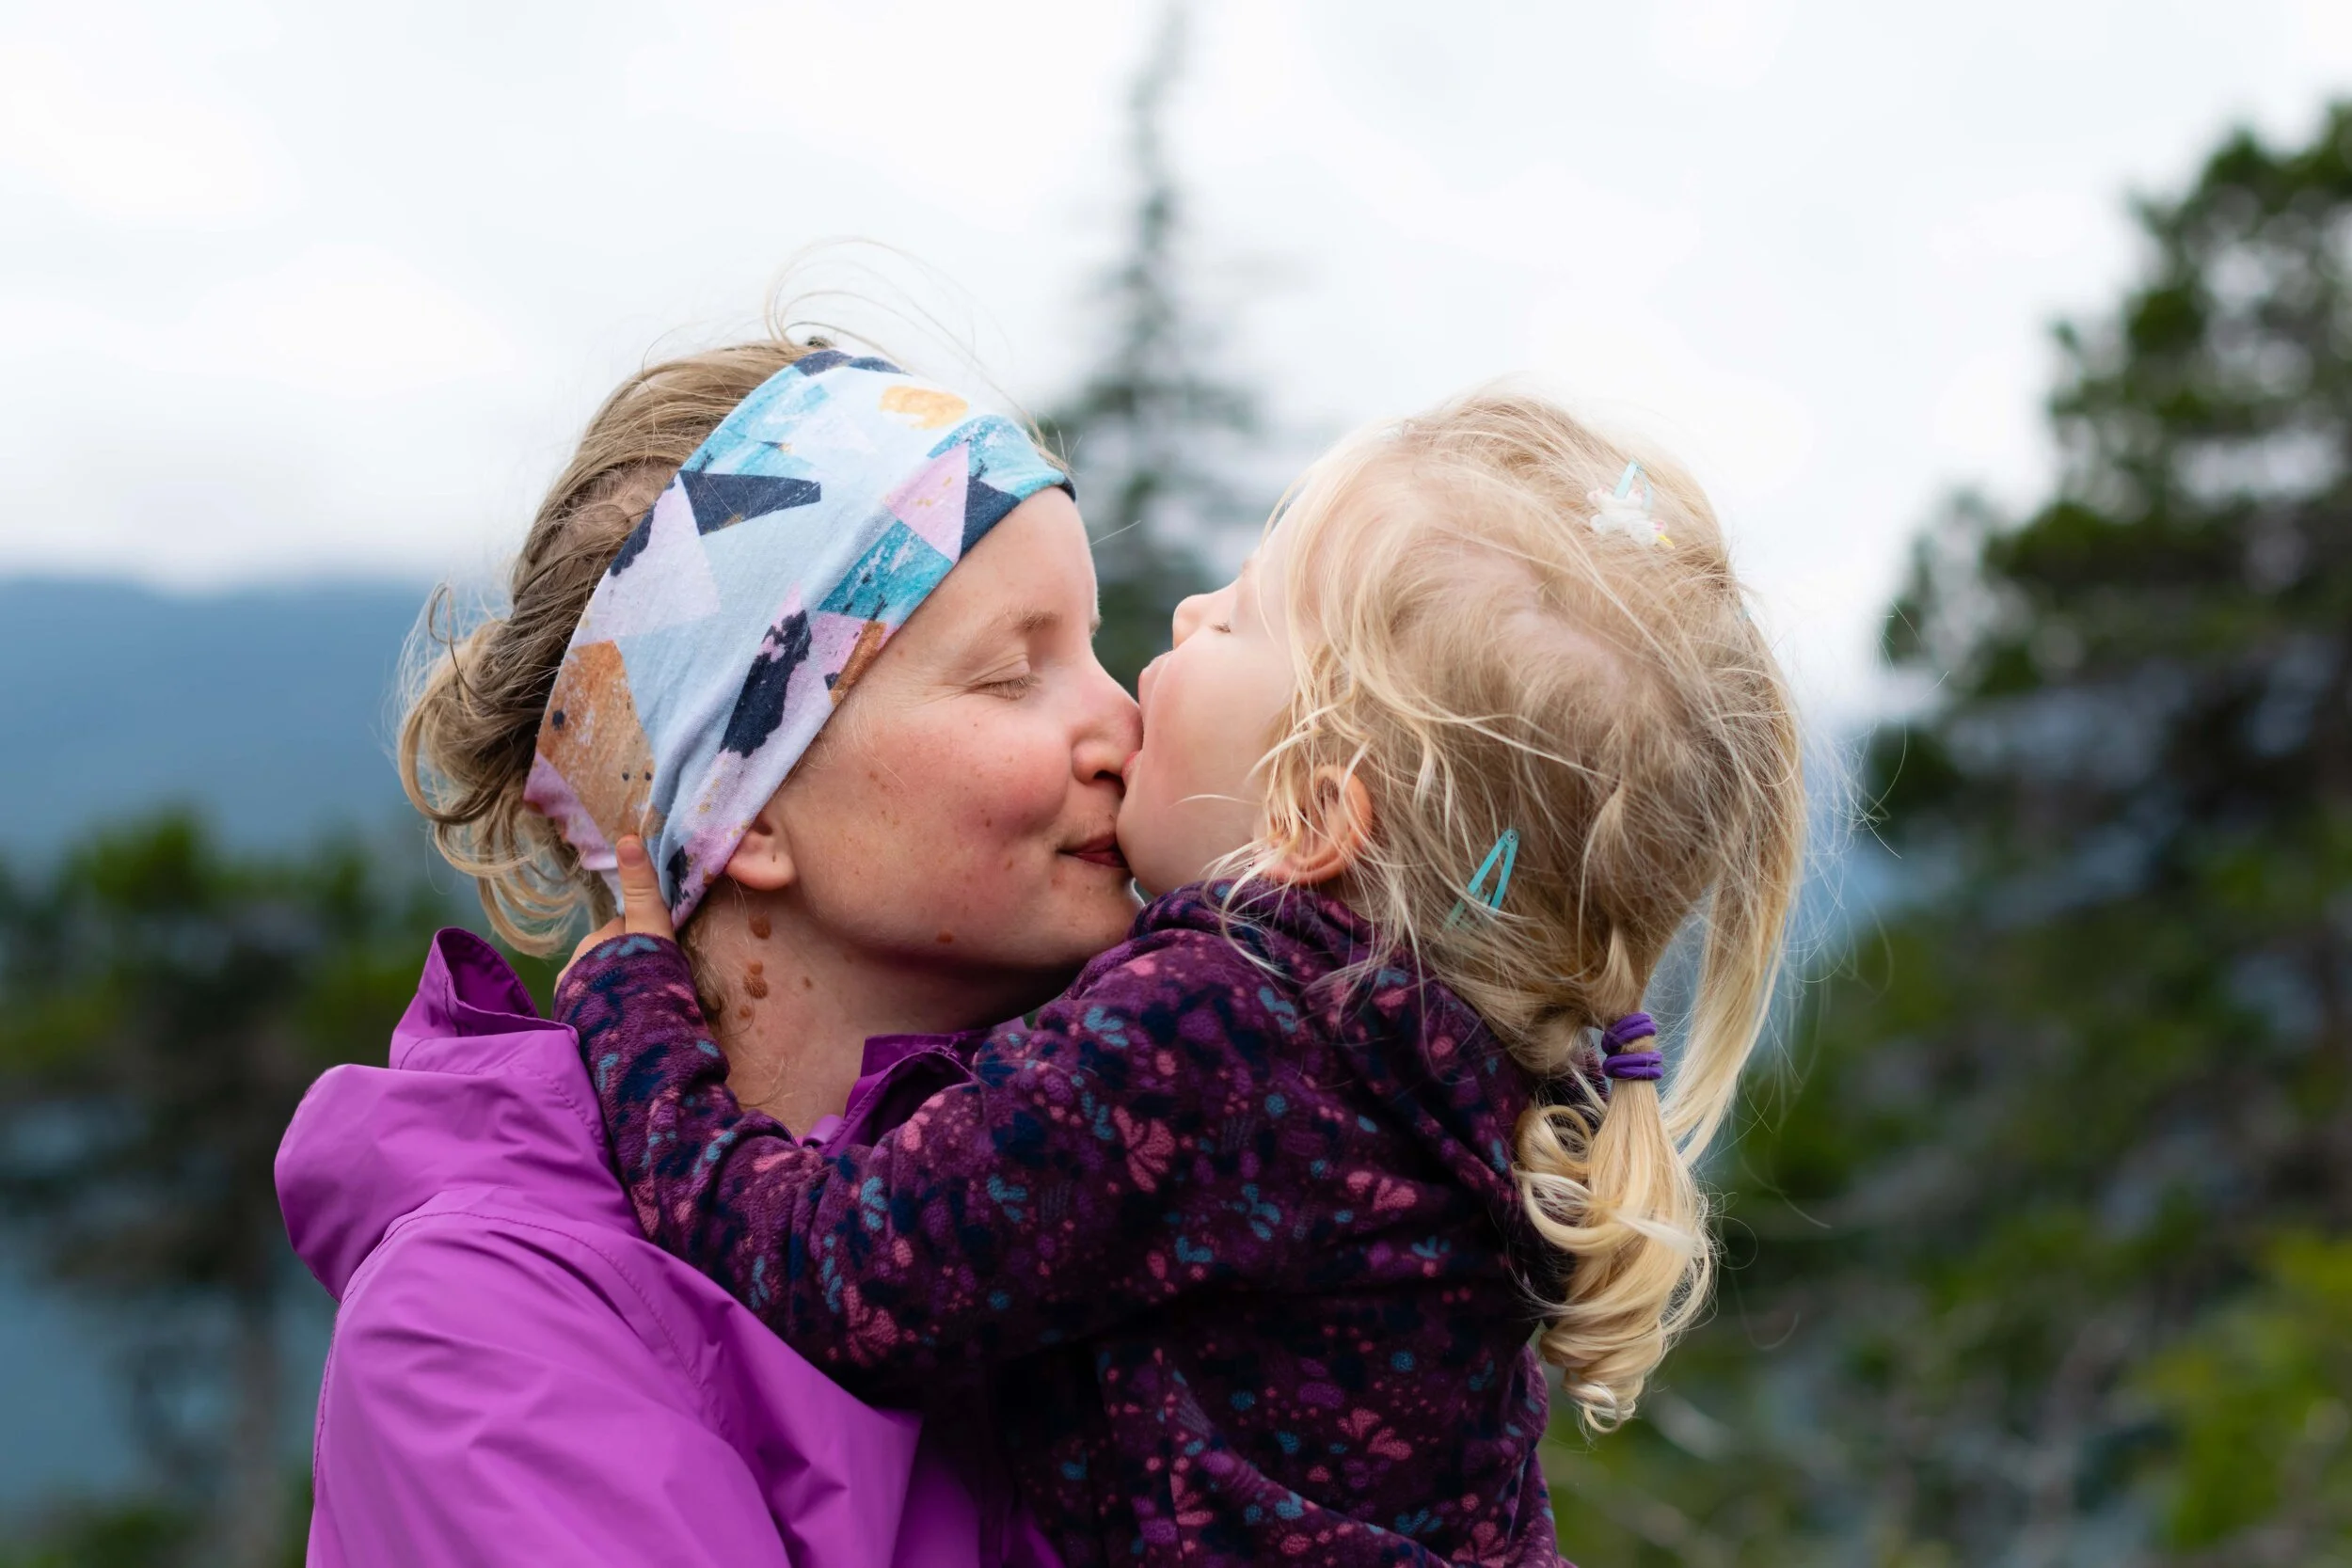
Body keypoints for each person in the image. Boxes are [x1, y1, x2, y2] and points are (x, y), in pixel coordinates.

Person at [555, 391, 1809, 1566]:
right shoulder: (1461, 1067)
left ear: (1315, 812)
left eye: (1241, 619)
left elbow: (843, 1274)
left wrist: (637, 1018)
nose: (1186, 616)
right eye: (1016, 670)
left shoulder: (1206, 1030)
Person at [276, 334, 1139, 1565]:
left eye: (1097, 650)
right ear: (750, 808)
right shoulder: (483, 1325)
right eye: (1013, 673)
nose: (1126, 722)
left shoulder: (1101, 1187)